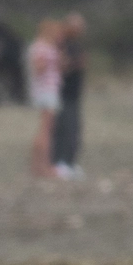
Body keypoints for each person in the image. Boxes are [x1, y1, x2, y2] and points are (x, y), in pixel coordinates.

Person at [50, 13, 88, 177]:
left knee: (74, 130)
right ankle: (59, 162)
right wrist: (76, 64)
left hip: (74, 95)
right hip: (63, 94)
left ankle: (70, 162)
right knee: (63, 129)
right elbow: (59, 66)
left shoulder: (76, 45)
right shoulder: (61, 44)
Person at [25, 18, 63, 179]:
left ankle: (38, 166)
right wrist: (52, 61)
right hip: (45, 91)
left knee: (46, 129)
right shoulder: (41, 47)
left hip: (47, 90)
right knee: (46, 131)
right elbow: (38, 68)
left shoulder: (42, 46)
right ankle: (43, 166)